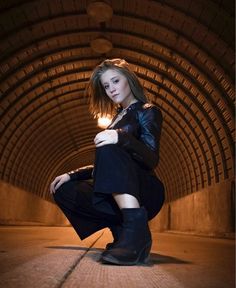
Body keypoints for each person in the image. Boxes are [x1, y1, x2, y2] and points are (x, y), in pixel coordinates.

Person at [50, 58, 165, 266]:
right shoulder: (116, 119)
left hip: (146, 190)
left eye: (115, 81)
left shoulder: (148, 111)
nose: (111, 89)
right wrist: (71, 175)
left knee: (109, 146)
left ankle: (136, 235)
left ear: (128, 79)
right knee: (64, 189)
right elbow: (109, 168)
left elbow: (151, 158)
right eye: (106, 85)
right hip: (121, 185)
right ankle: (122, 233)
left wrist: (120, 137)